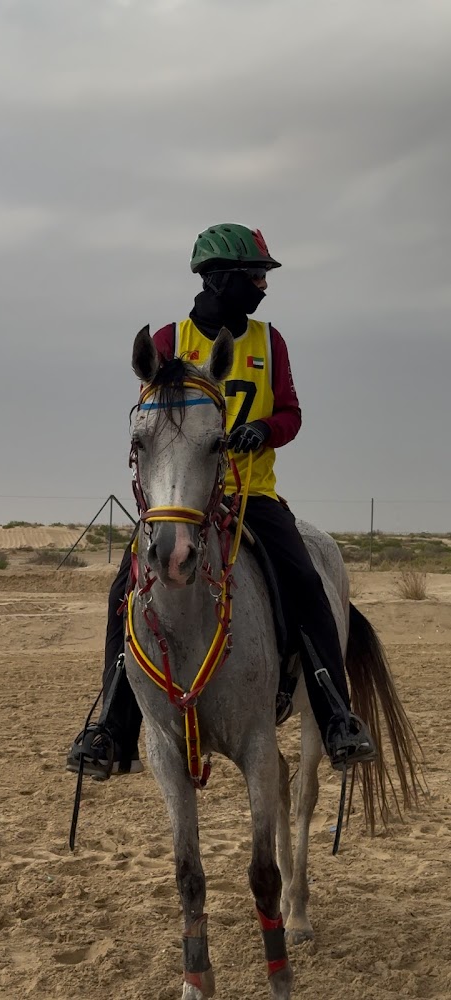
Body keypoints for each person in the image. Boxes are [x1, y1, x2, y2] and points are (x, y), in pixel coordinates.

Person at [67, 223, 376, 780]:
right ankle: (112, 728)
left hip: (249, 495)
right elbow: (151, 422)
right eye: (254, 275)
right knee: (122, 591)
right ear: (217, 279)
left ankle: (336, 715)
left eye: (263, 276)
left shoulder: (269, 341)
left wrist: (264, 428)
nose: (263, 285)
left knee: (305, 582)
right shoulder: (168, 340)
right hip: (180, 501)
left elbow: (292, 414)